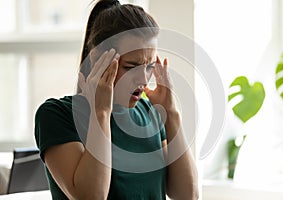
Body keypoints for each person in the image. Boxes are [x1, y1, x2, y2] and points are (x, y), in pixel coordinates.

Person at [34, 0, 199, 199]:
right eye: (131, 67)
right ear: (97, 59)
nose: (143, 78)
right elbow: (91, 197)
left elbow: (187, 195)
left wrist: (171, 114)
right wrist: (100, 113)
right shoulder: (57, 115)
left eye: (149, 67)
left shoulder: (150, 113)